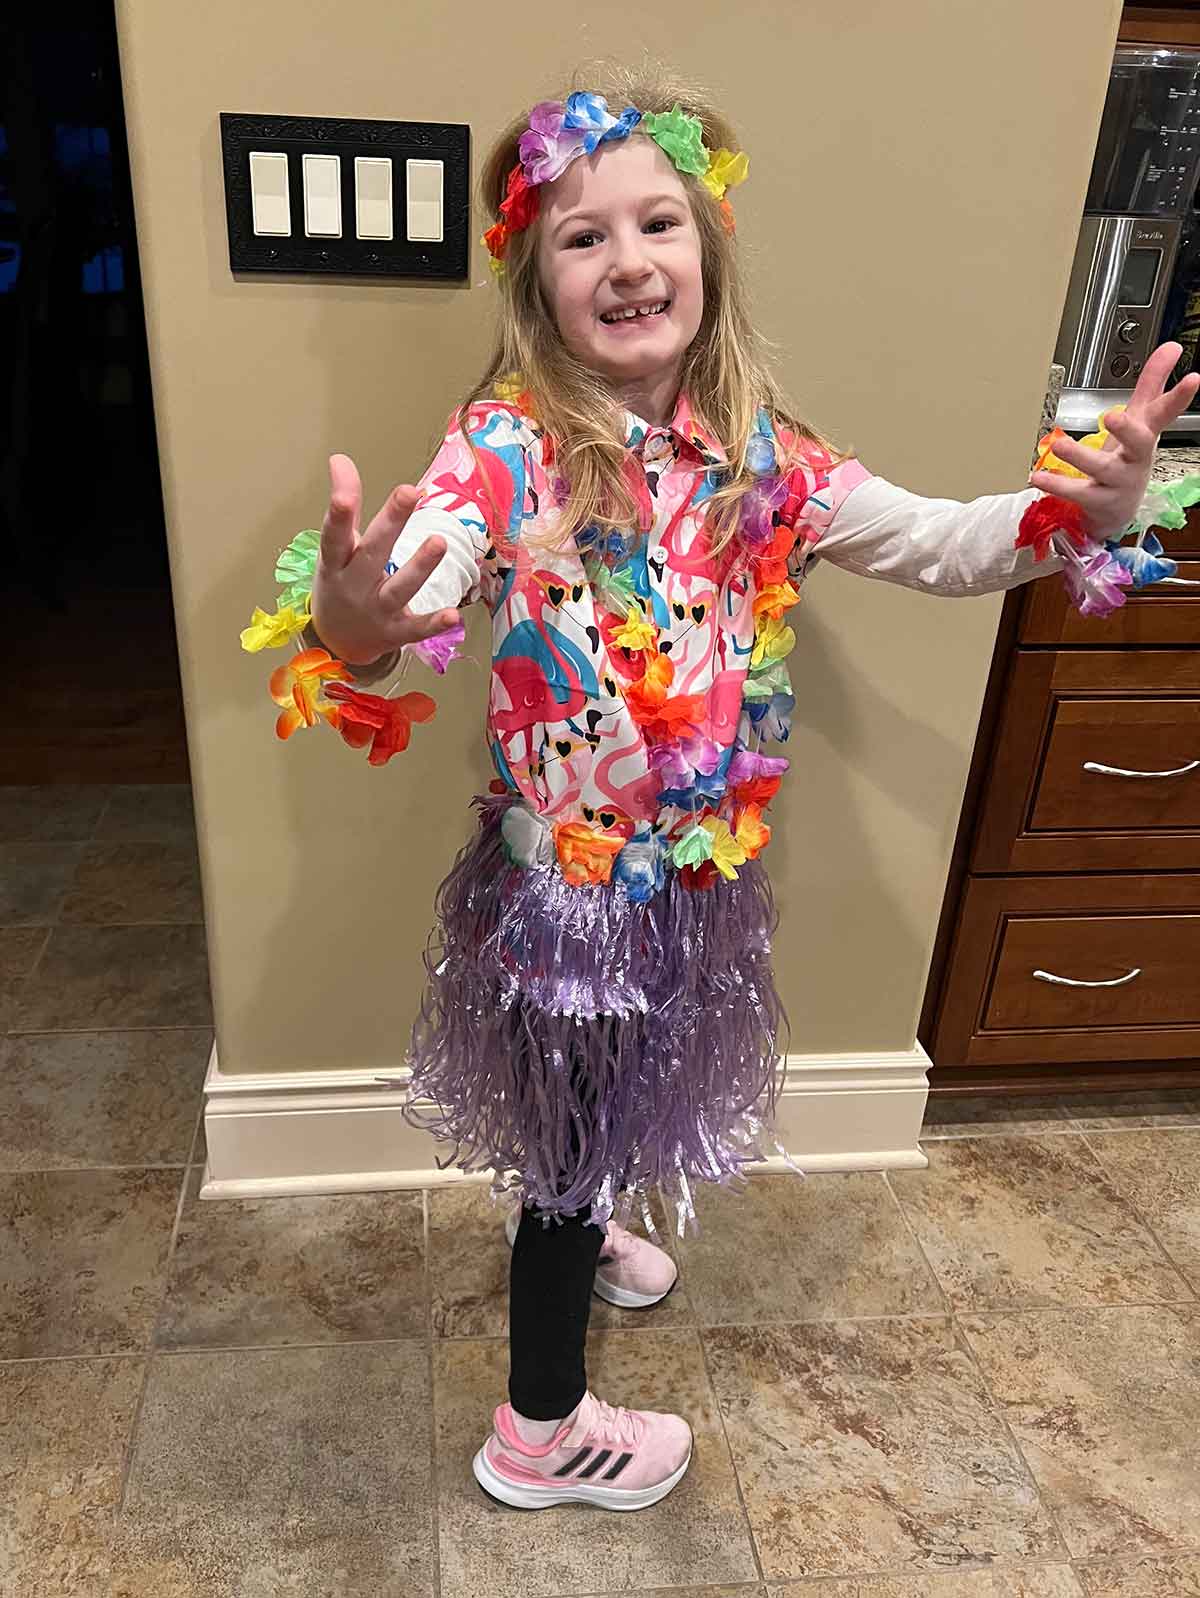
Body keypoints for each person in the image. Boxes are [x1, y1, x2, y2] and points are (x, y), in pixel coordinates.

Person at [241, 65, 1200, 1513]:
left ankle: (598, 1212)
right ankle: (541, 1429)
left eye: (657, 225)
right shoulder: (503, 454)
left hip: (692, 873)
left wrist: (1086, 508)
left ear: (707, 247)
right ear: (535, 278)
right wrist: (361, 618)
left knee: (616, 1096)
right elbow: (419, 568)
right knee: (566, 1141)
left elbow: (943, 541)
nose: (627, 260)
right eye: (582, 237)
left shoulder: (763, 451)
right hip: (568, 896)